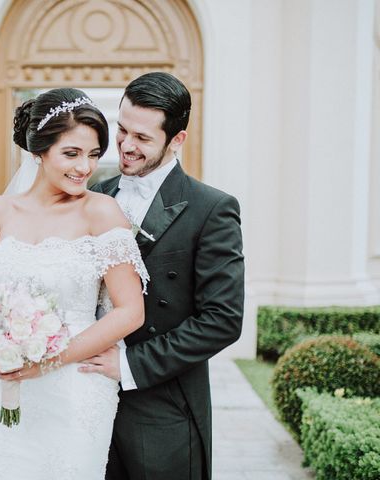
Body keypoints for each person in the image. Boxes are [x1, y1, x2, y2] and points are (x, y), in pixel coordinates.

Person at [0, 88, 149, 479]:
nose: (84, 168)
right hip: (7, 378)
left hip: (76, 385)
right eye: (71, 154)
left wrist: (48, 361)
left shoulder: (101, 212)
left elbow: (131, 311)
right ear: (38, 152)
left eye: (93, 155)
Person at [84, 72, 245, 480]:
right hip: (85, 400)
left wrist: (130, 364)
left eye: (142, 137)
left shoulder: (212, 209)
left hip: (162, 408)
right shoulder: (94, 197)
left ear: (177, 139)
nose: (125, 144)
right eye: (122, 129)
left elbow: (223, 319)